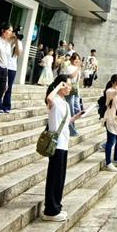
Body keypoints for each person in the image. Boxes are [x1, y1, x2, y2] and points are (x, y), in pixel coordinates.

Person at [41, 74, 87, 222]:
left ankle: (57, 207)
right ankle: (50, 211)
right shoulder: (54, 99)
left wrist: (77, 116)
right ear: (61, 85)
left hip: (64, 143)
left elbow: (66, 122)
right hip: (56, 144)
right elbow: (48, 98)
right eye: (67, 85)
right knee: (54, 177)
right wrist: (57, 87)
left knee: (60, 178)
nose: (70, 87)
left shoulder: (64, 102)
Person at [103, 74, 117, 171]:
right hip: (111, 119)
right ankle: (108, 163)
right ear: (113, 83)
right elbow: (116, 92)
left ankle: (116, 159)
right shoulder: (109, 91)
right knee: (110, 141)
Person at [0, 29, 23, 115]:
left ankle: (6, 106)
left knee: (9, 87)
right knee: (2, 86)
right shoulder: (6, 41)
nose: (13, 35)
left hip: (12, 68)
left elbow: (18, 53)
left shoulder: (19, 43)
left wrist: (16, 41)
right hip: (4, 66)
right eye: (12, 33)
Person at [61, 52, 82, 136]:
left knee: (77, 109)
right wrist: (78, 69)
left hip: (75, 89)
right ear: (72, 60)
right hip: (69, 89)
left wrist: (78, 92)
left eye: (78, 59)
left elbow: (78, 81)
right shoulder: (69, 67)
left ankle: (69, 127)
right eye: (76, 59)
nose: (77, 61)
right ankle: (71, 130)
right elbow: (71, 76)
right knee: (70, 110)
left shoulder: (78, 68)